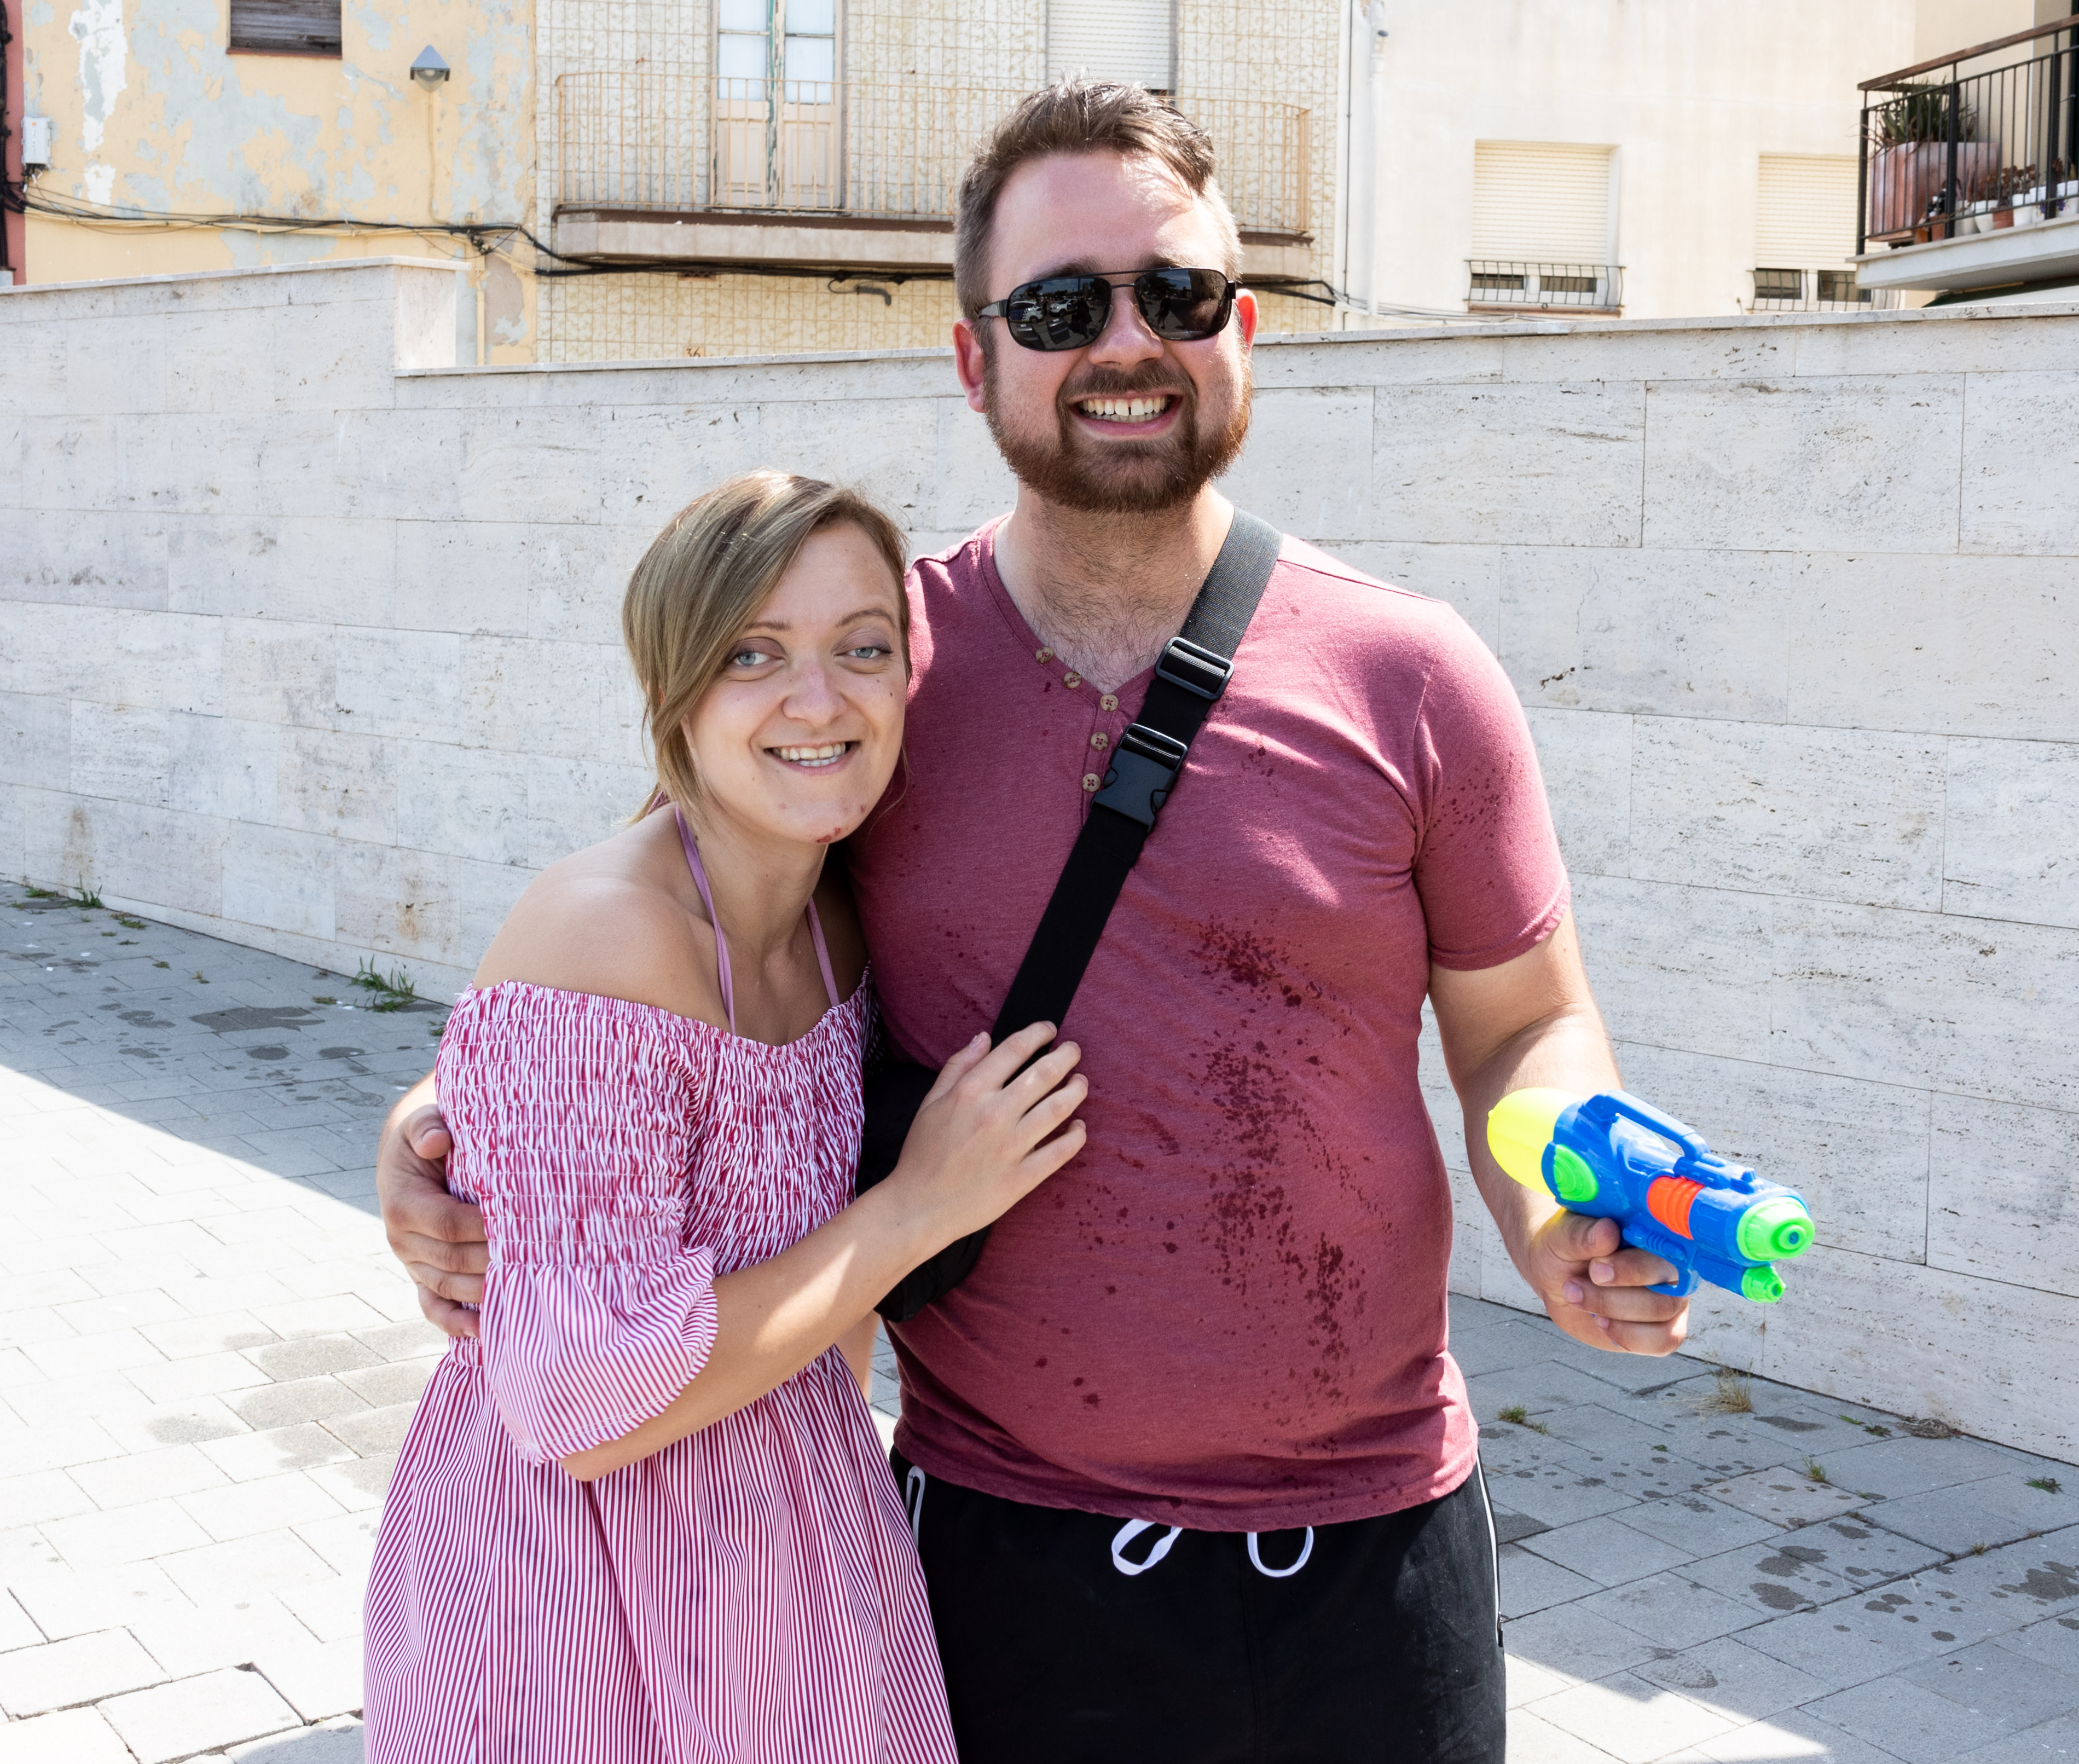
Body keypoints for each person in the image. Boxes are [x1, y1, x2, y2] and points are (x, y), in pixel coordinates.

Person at [378, 84, 1698, 1763]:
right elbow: (665, 941)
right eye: (1064, 306)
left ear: (1246, 331)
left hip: (1378, 1562)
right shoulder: (871, 673)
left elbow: (1525, 1024)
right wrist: (444, 1120)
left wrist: (1561, 1192)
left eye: (1179, 294)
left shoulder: (1415, 673)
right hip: (1006, 1572)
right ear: (974, 355)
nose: (1128, 342)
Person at [362, 471, 1090, 1763]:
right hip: (576, 1594)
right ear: (674, 688)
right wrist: (917, 1209)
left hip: (788, 1536)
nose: (817, 699)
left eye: (861, 647)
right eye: (753, 653)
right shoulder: (611, 931)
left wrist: (429, 1113)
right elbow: (580, 1402)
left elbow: (522, 1089)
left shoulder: (838, 907)